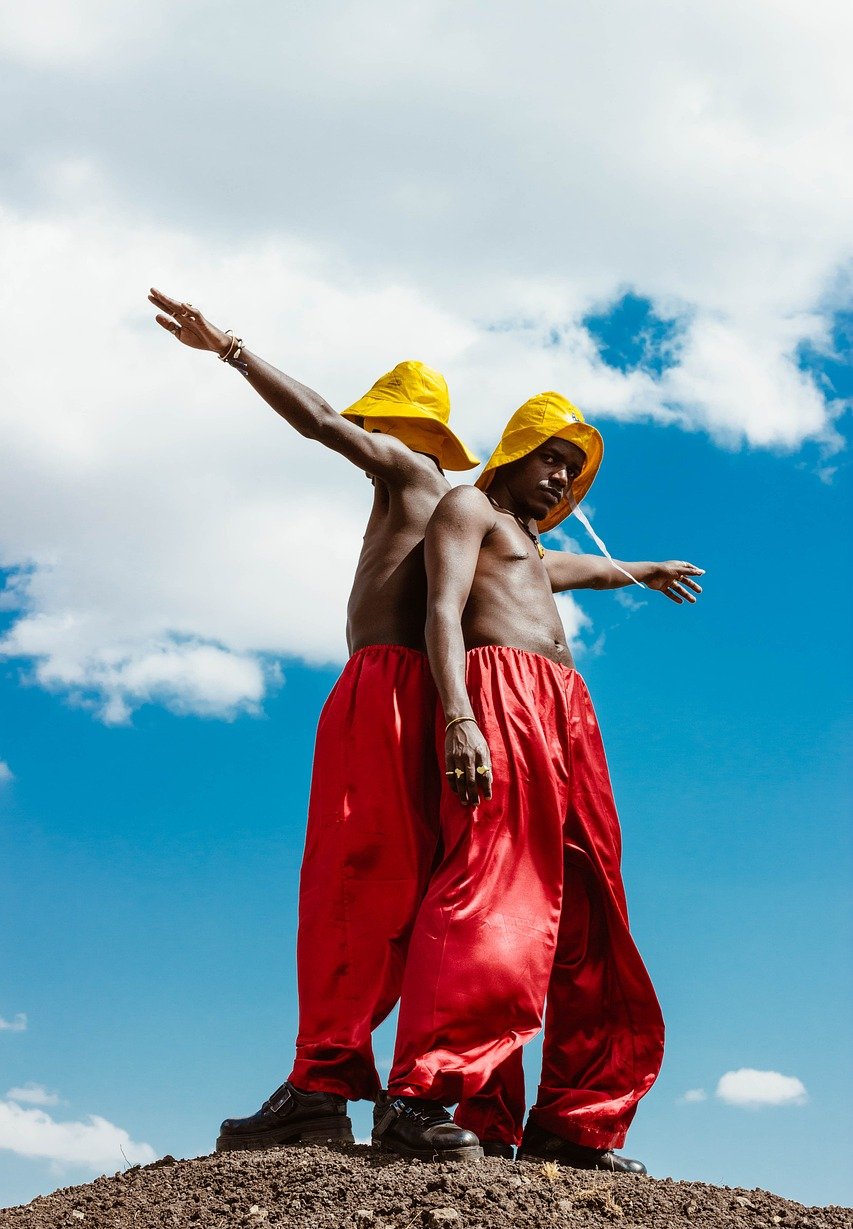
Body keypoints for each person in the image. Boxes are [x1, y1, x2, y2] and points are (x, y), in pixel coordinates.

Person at [147, 288, 484, 1152]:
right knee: (402, 885)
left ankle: (324, 1087)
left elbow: (322, 421)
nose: (373, 438)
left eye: (386, 424)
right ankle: (376, 1089)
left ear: (407, 432)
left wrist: (230, 349)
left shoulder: (410, 472)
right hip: (421, 692)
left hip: (384, 688)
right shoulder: (438, 501)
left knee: (350, 879)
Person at [372, 391, 704, 1171]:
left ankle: (571, 1122)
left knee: (592, 910)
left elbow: (572, 569)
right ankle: (421, 1096)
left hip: (567, 712)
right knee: (495, 890)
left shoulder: (522, 541)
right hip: (499, 696)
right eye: (549, 458)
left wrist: (639, 569)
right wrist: (458, 716)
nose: (559, 476)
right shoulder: (466, 509)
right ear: (514, 454)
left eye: (572, 467)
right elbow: (443, 613)